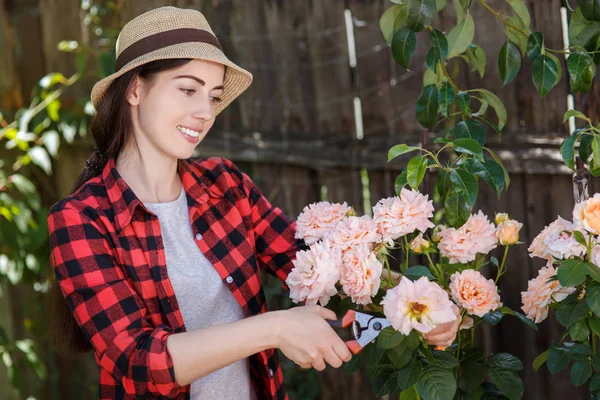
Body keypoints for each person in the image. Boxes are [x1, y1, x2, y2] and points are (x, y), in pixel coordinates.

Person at [46, 6, 459, 400]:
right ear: (135, 89)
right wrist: (274, 328)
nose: (204, 111)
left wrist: (417, 305)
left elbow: (318, 267)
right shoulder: (81, 220)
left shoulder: (224, 185)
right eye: (188, 89)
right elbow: (139, 361)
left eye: (212, 96)